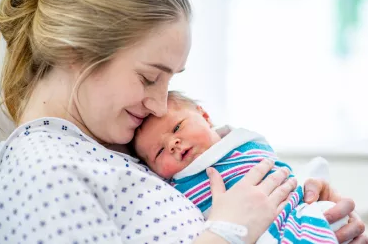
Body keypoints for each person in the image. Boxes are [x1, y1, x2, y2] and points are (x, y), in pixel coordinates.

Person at [0, 0, 366, 243]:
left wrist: (302, 213)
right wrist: (230, 230)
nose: (160, 104)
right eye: (149, 77)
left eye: (170, 81)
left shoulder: (114, 148)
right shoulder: (45, 172)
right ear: (73, 53)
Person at [133, 91, 350, 243]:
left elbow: (272, 164)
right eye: (159, 152)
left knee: (329, 213)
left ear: (205, 116)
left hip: (294, 202)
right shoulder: (175, 188)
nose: (172, 144)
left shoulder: (240, 143)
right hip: (257, 230)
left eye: (177, 127)